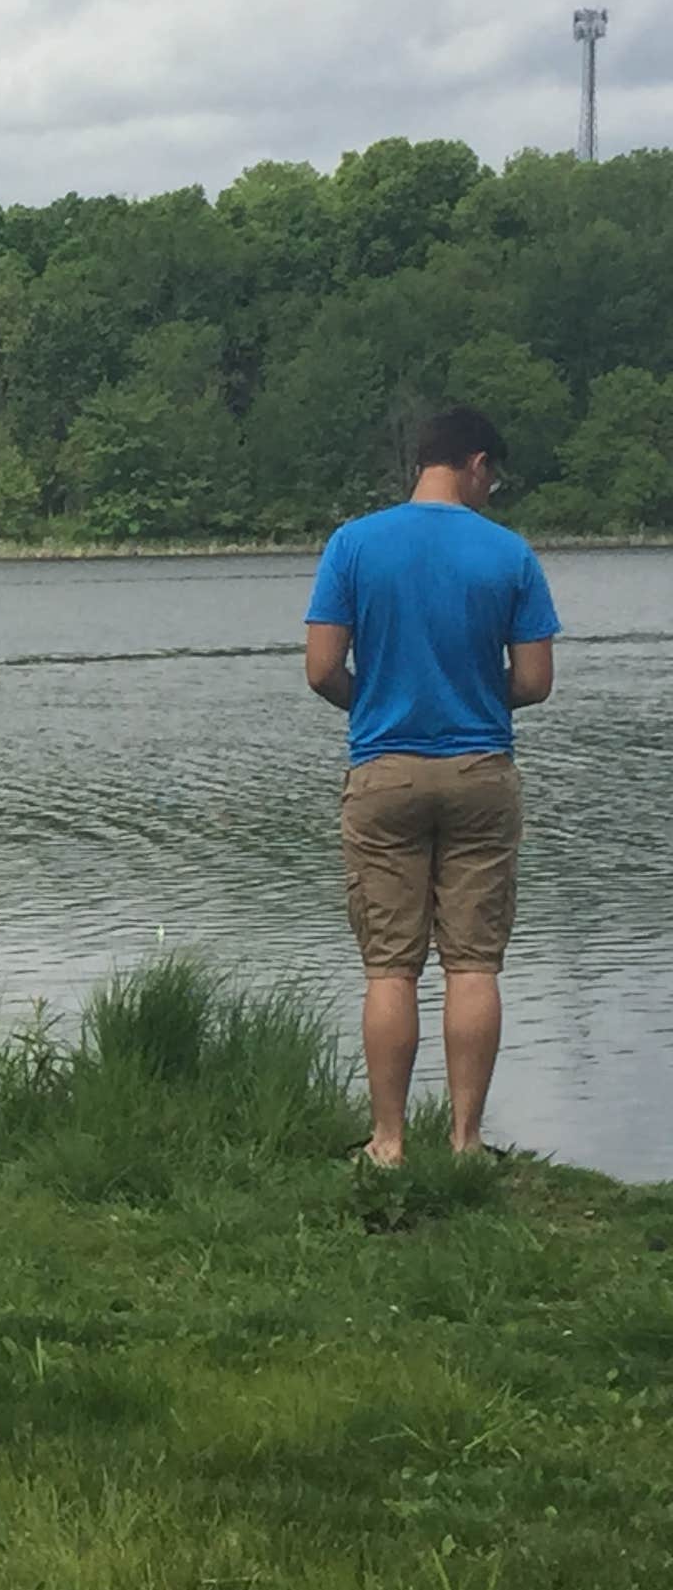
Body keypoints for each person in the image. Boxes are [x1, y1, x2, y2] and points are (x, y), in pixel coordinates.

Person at [304, 404, 559, 1166]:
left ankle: (388, 1143)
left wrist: (377, 702)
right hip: (480, 771)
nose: (491, 490)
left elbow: (321, 669)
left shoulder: (353, 544)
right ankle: (466, 1143)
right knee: (472, 963)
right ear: (476, 464)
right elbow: (534, 682)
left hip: (384, 772)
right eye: (492, 477)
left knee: (391, 966)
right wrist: (473, 697)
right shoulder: (510, 554)